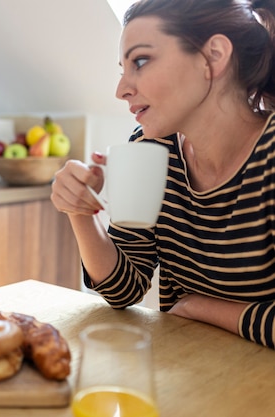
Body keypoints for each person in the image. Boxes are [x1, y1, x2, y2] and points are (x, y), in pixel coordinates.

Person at [51, 0, 275, 349]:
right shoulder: (152, 150)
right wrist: (81, 212)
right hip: (185, 373)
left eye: (140, 61)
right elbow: (123, 289)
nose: (121, 89)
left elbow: (185, 308)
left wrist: (202, 307)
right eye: (122, 68)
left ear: (213, 56)